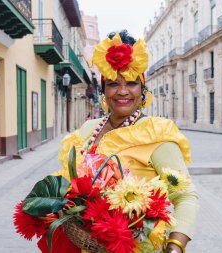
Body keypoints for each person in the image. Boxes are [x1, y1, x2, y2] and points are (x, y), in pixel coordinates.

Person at [55, 30, 198, 253]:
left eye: (131, 83)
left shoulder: (156, 133)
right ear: (103, 91)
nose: (122, 91)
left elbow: (186, 196)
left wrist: (175, 246)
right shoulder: (88, 130)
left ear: (142, 90)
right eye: (113, 83)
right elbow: (66, 183)